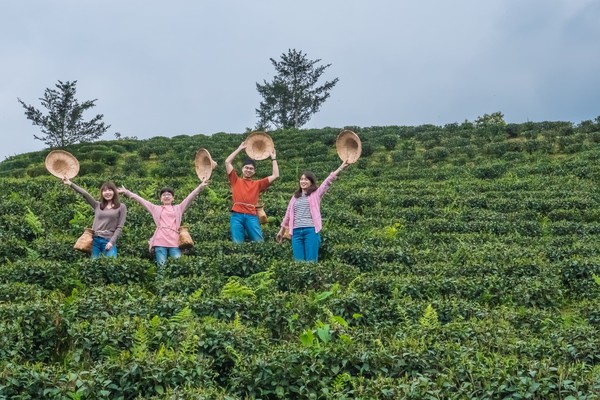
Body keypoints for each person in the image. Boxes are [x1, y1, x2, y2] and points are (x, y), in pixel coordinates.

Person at [118, 179, 208, 264]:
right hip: (160, 240)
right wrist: (127, 192)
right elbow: (141, 200)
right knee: (161, 266)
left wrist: (200, 186)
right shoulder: (155, 208)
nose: (166, 196)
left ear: (173, 198)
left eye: (169, 194)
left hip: (175, 241)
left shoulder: (178, 208)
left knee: (178, 264)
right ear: (161, 199)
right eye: (164, 195)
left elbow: (190, 197)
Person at [276, 160, 350, 262]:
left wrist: (341, 168)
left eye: (306, 179)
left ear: (311, 182)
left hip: (310, 231)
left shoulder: (316, 194)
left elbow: (327, 181)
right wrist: (282, 230)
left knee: (311, 262)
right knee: (298, 263)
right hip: (296, 233)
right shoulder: (295, 197)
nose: (303, 181)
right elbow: (288, 214)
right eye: (301, 179)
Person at [225, 140, 279, 243]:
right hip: (236, 215)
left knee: (259, 242)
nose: (248, 170)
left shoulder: (257, 184)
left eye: (251, 169)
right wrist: (240, 149)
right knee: (237, 244)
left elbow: (275, 175)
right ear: (242, 169)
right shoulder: (235, 180)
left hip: (251, 215)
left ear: (254, 171)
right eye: (246, 168)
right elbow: (227, 162)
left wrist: (273, 158)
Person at [62, 178, 127, 259]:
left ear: (114, 192)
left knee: (111, 264)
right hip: (95, 240)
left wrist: (111, 242)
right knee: (93, 265)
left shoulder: (121, 207)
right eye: (104, 191)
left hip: (108, 240)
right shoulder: (97, 205)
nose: (107, 192)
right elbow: (85, 194)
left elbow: (119, 227)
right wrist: (70, 184)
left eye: (110, 190)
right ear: (102, 193)